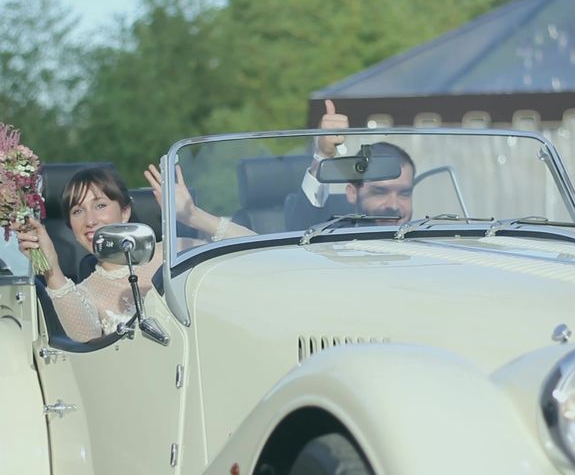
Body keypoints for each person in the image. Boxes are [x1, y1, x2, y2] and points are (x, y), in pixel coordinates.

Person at [16, 165, 253, 342]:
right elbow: (86, 340)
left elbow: (253, 252)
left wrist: (192, 216)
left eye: (100, 206)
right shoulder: (84, 293)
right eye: (78, 211)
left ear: (125, 211)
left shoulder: (176, 249)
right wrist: (51, 270)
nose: (90, 220)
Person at [288, 99, 415, 229]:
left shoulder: (427, 240)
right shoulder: (339, 239)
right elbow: (302, 230)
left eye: (404, 193)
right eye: (380, 192)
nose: (393, 206)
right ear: (352, 193)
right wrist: (324, 154)